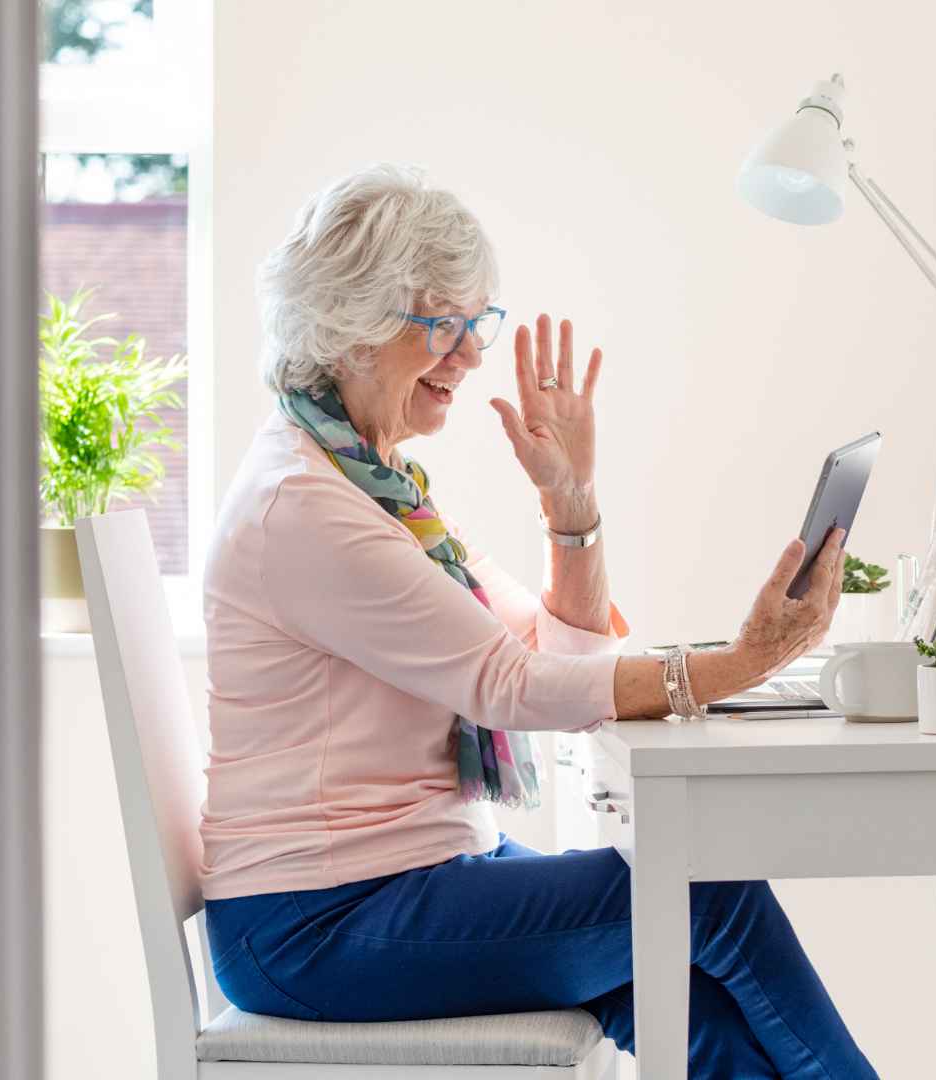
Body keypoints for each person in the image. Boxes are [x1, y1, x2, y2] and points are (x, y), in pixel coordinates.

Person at [200, 163, 877, 1079]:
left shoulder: (378, 487)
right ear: (348, 329)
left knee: (691, 997)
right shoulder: (307, 507)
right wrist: (740, 665)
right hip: (319, 923)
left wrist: (572, 503)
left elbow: (552, 651)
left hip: (397, 883)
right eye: (441, 323)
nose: (471, 354)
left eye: (476, 322)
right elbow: (518, 690)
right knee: (705, 889)